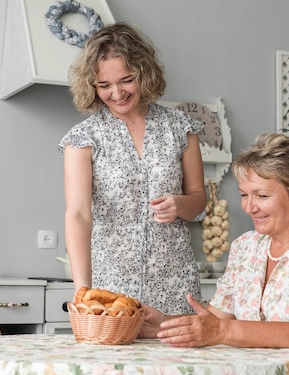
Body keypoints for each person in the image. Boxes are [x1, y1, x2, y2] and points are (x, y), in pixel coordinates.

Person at [141, 133, 289, 375]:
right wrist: (163, 325)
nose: (249, 207)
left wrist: (223, 330)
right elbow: (216, 319)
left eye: (262, 196)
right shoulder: (245, 248)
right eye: (244, 194)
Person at [58, 22, 207, 315]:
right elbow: (78, 214)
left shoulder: (180, 128)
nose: (117, 93)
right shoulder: (83, 137)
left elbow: (199, 200)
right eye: (104, 85)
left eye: (126, 80)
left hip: (176, 285)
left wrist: (179, 204)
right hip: (111, 293)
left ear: (144, 73)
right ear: (92, 85)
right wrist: (82, 290)